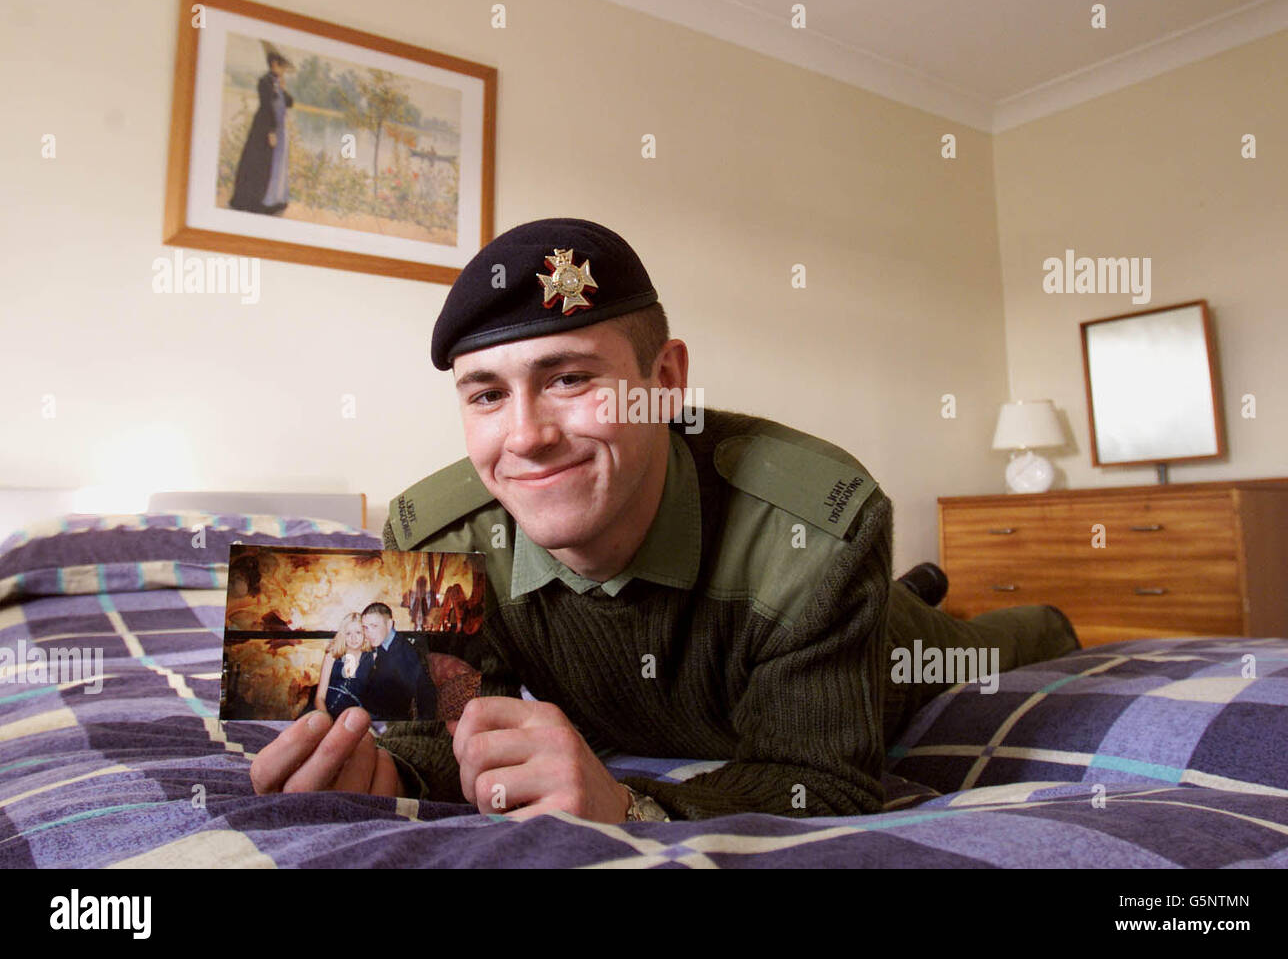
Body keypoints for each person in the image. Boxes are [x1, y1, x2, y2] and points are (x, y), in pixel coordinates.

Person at [249, 217, 1079, 821]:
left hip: (874, 651)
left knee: (976, 645)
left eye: (570, 377)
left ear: (666, 380)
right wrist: (383, 772)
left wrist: (632, 807)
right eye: (488, 395)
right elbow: (450, 733)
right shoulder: (434, 540)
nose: (527, 437)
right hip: (761, 653)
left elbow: (820, 782)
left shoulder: (817, 528)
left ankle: (984, 610)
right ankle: (913, 584)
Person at [229, 50, 294, 215]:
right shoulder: (264, 82)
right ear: (274, 64)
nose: (284, 70)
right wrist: (271, 131)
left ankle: (274, 199)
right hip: (265, 128)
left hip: (279, 129)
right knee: (260, 163)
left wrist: (284, 89)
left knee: (276, 164)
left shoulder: (278, 83)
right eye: (282, 66)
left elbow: (289, 103)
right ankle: (256, 201)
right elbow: (266, 107)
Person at [357, 603, 439, 721]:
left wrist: (421, 726)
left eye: (374, 626)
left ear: (389, 624)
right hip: (369, 709)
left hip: (383, 719)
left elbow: (425, 691)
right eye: (365, 627)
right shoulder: (382, 645)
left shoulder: (404, 653)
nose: (369, 633)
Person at [314, 613, 375, 718]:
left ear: (365, 634)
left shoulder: (373, 657)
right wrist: (325, 719)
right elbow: (319, 697)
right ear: (343, 635)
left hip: (353, 717)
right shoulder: (332, 655)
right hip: (324, 712)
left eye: (358, 632)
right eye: (348, 633)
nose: (353, 638)